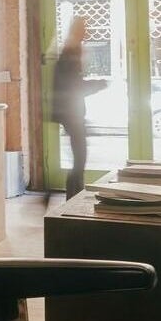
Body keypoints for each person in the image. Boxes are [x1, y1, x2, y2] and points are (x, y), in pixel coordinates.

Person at [51, 15, 108, 198]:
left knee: (79, 158)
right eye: (84, 27)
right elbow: (73, 85)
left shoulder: (72, 49)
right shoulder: (71, 51)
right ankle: (73, 199)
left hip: (71, 111)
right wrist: (98, 84)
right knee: (79, 158)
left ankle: (74, 197)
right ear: (77, 29)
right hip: (70, 112)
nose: (87, 31)